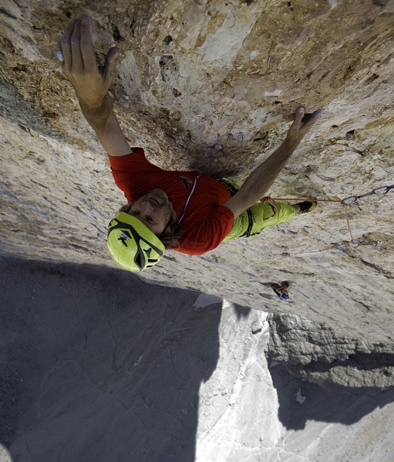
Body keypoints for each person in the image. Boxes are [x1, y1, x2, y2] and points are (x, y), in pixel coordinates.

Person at [58, 16, 323, 272]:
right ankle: (299, 209)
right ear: (166, 234)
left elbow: (105, 126)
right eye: (150, 220)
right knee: (265, 215)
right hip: (231, 213)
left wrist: (90, 100)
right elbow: (247, 196)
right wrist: (291, 143)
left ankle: (293, 209)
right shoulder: (199, 239)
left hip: (215, 191)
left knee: (260, 208)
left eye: (134, 212)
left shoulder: (136, 188)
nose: (146, 206)